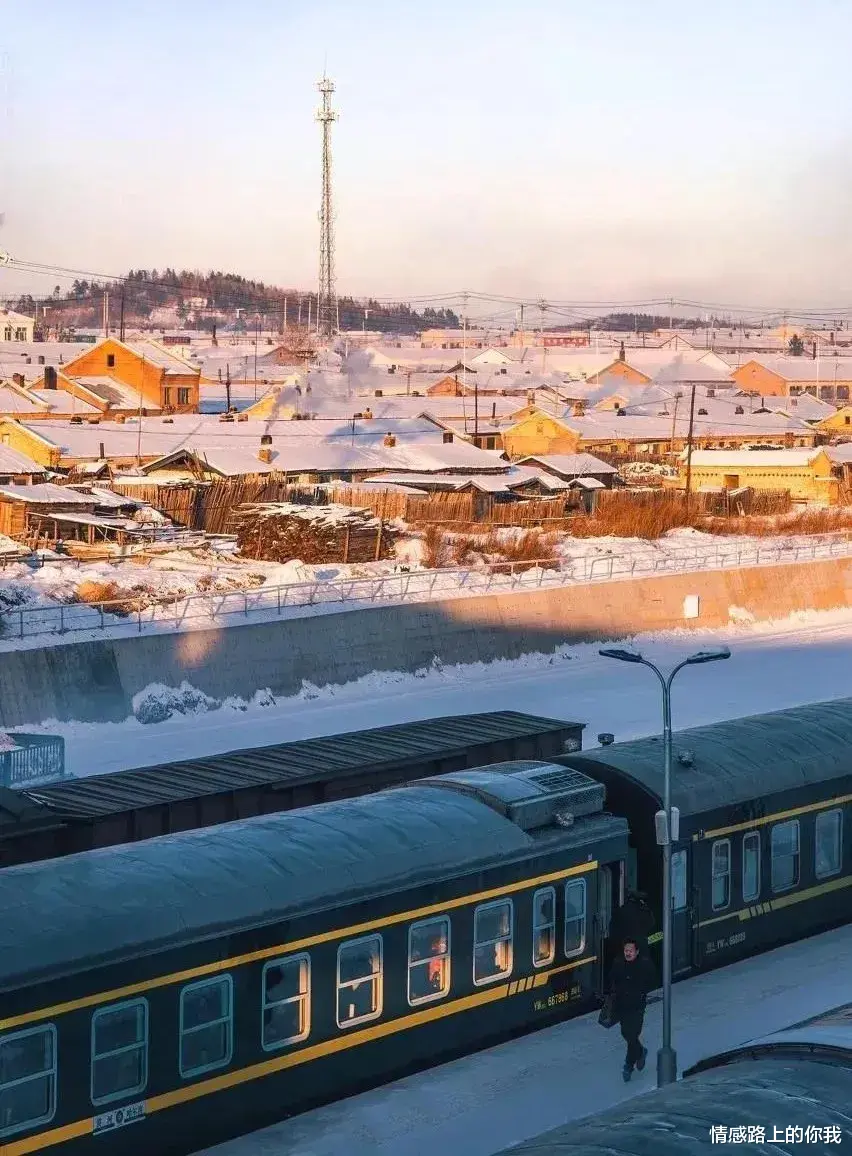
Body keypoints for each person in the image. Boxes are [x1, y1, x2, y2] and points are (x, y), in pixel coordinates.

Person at [608, 939, 657, 1082]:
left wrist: (642, 991)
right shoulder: (619, 964)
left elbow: (652, 980)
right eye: (626, 950)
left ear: (637, 951)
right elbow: (612, 979)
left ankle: (628, 1065)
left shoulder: (644, 964)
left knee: (632, 1033)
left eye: (630, 951)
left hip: (637, 1006)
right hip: (622, 1006)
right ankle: (641, 1051)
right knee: (626, 1033)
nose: (628, 953)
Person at [609, 890, 655, 957]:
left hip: (622, 952)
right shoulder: (645, 912)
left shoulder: (619, 912)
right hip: (640, 951)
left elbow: (612, 932)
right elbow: (652, 926)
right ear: (640, 901)